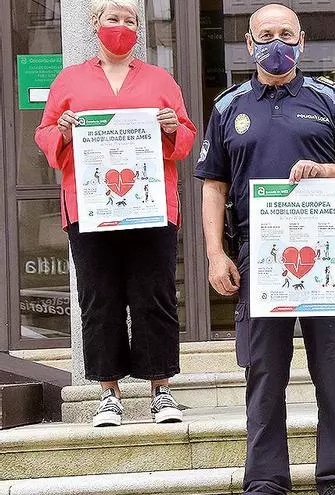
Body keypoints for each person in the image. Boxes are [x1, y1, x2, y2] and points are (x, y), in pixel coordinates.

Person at [194, 5, 335, 495]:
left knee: (333, 373)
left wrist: (324, 170)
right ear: (250, 44)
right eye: (266, 34)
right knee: (265, 374)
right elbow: (213, 185)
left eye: (286, 34)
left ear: (302, 40)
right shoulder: (228, 107)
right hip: (260, 259)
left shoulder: (329, 99)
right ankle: (266, 481)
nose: (277, 42)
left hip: (326, 256)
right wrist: (215, 253)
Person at [34, 0, 196, 428]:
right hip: (90, 206)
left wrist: (171, 127)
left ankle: (161, 390)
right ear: (95, 24)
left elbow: (185, 137)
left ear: (138, 29)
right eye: (113, 18)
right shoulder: (69, 79)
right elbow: (44, 134)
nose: (121, 26)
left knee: (155, 296)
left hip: (152, 205)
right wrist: (62, 130)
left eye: (130, 20)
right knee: (98, 298)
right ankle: (108, 394)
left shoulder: (161, 80)